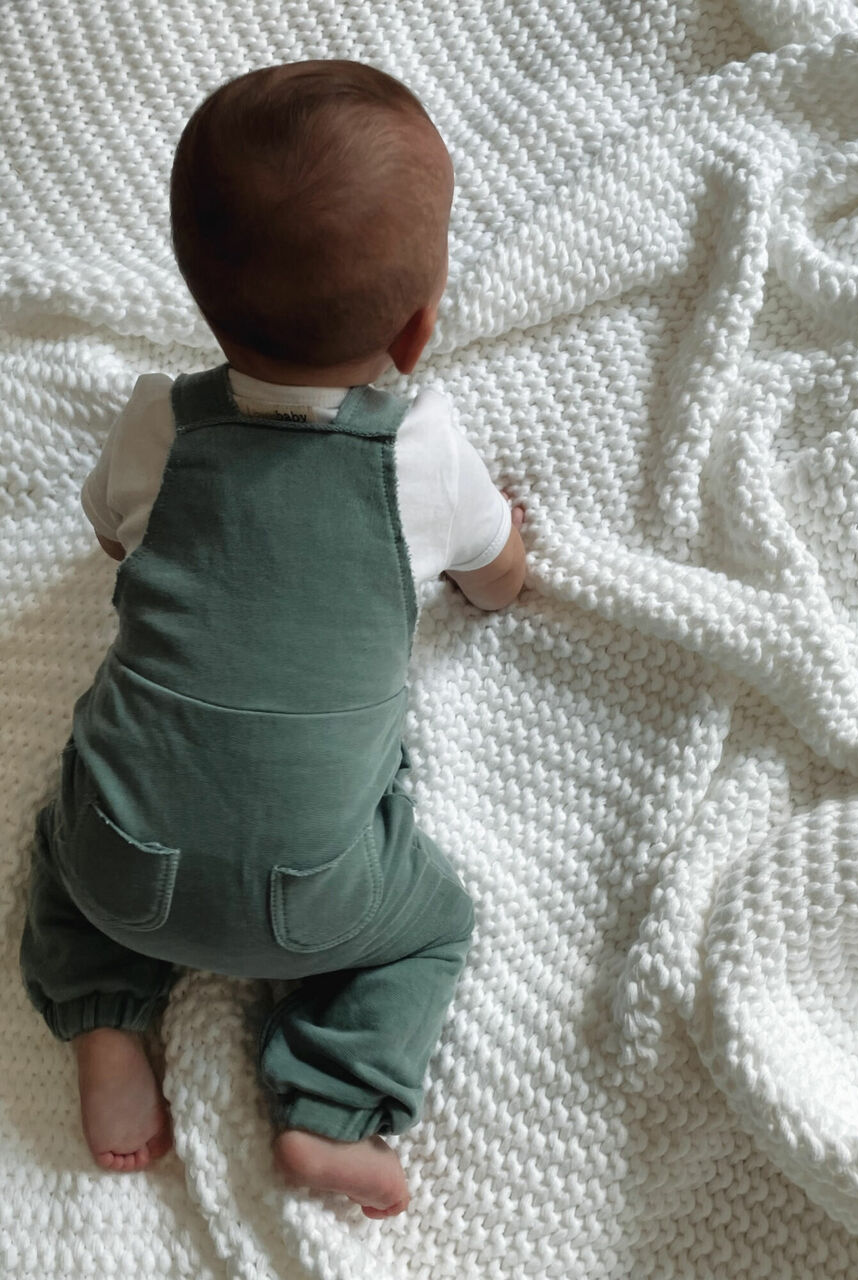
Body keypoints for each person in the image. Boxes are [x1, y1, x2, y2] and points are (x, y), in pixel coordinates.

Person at [19, 58, 526, 1220]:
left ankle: (104, 1017)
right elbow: (496, 583)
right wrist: (506, 557)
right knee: (431, 925)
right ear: (420, 324)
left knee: (69, 835)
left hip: (123, 867)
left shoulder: (161, 424)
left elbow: (113, 539)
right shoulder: (419, 454)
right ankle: (330, 1102)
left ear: (202, 302)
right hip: (316, 896)